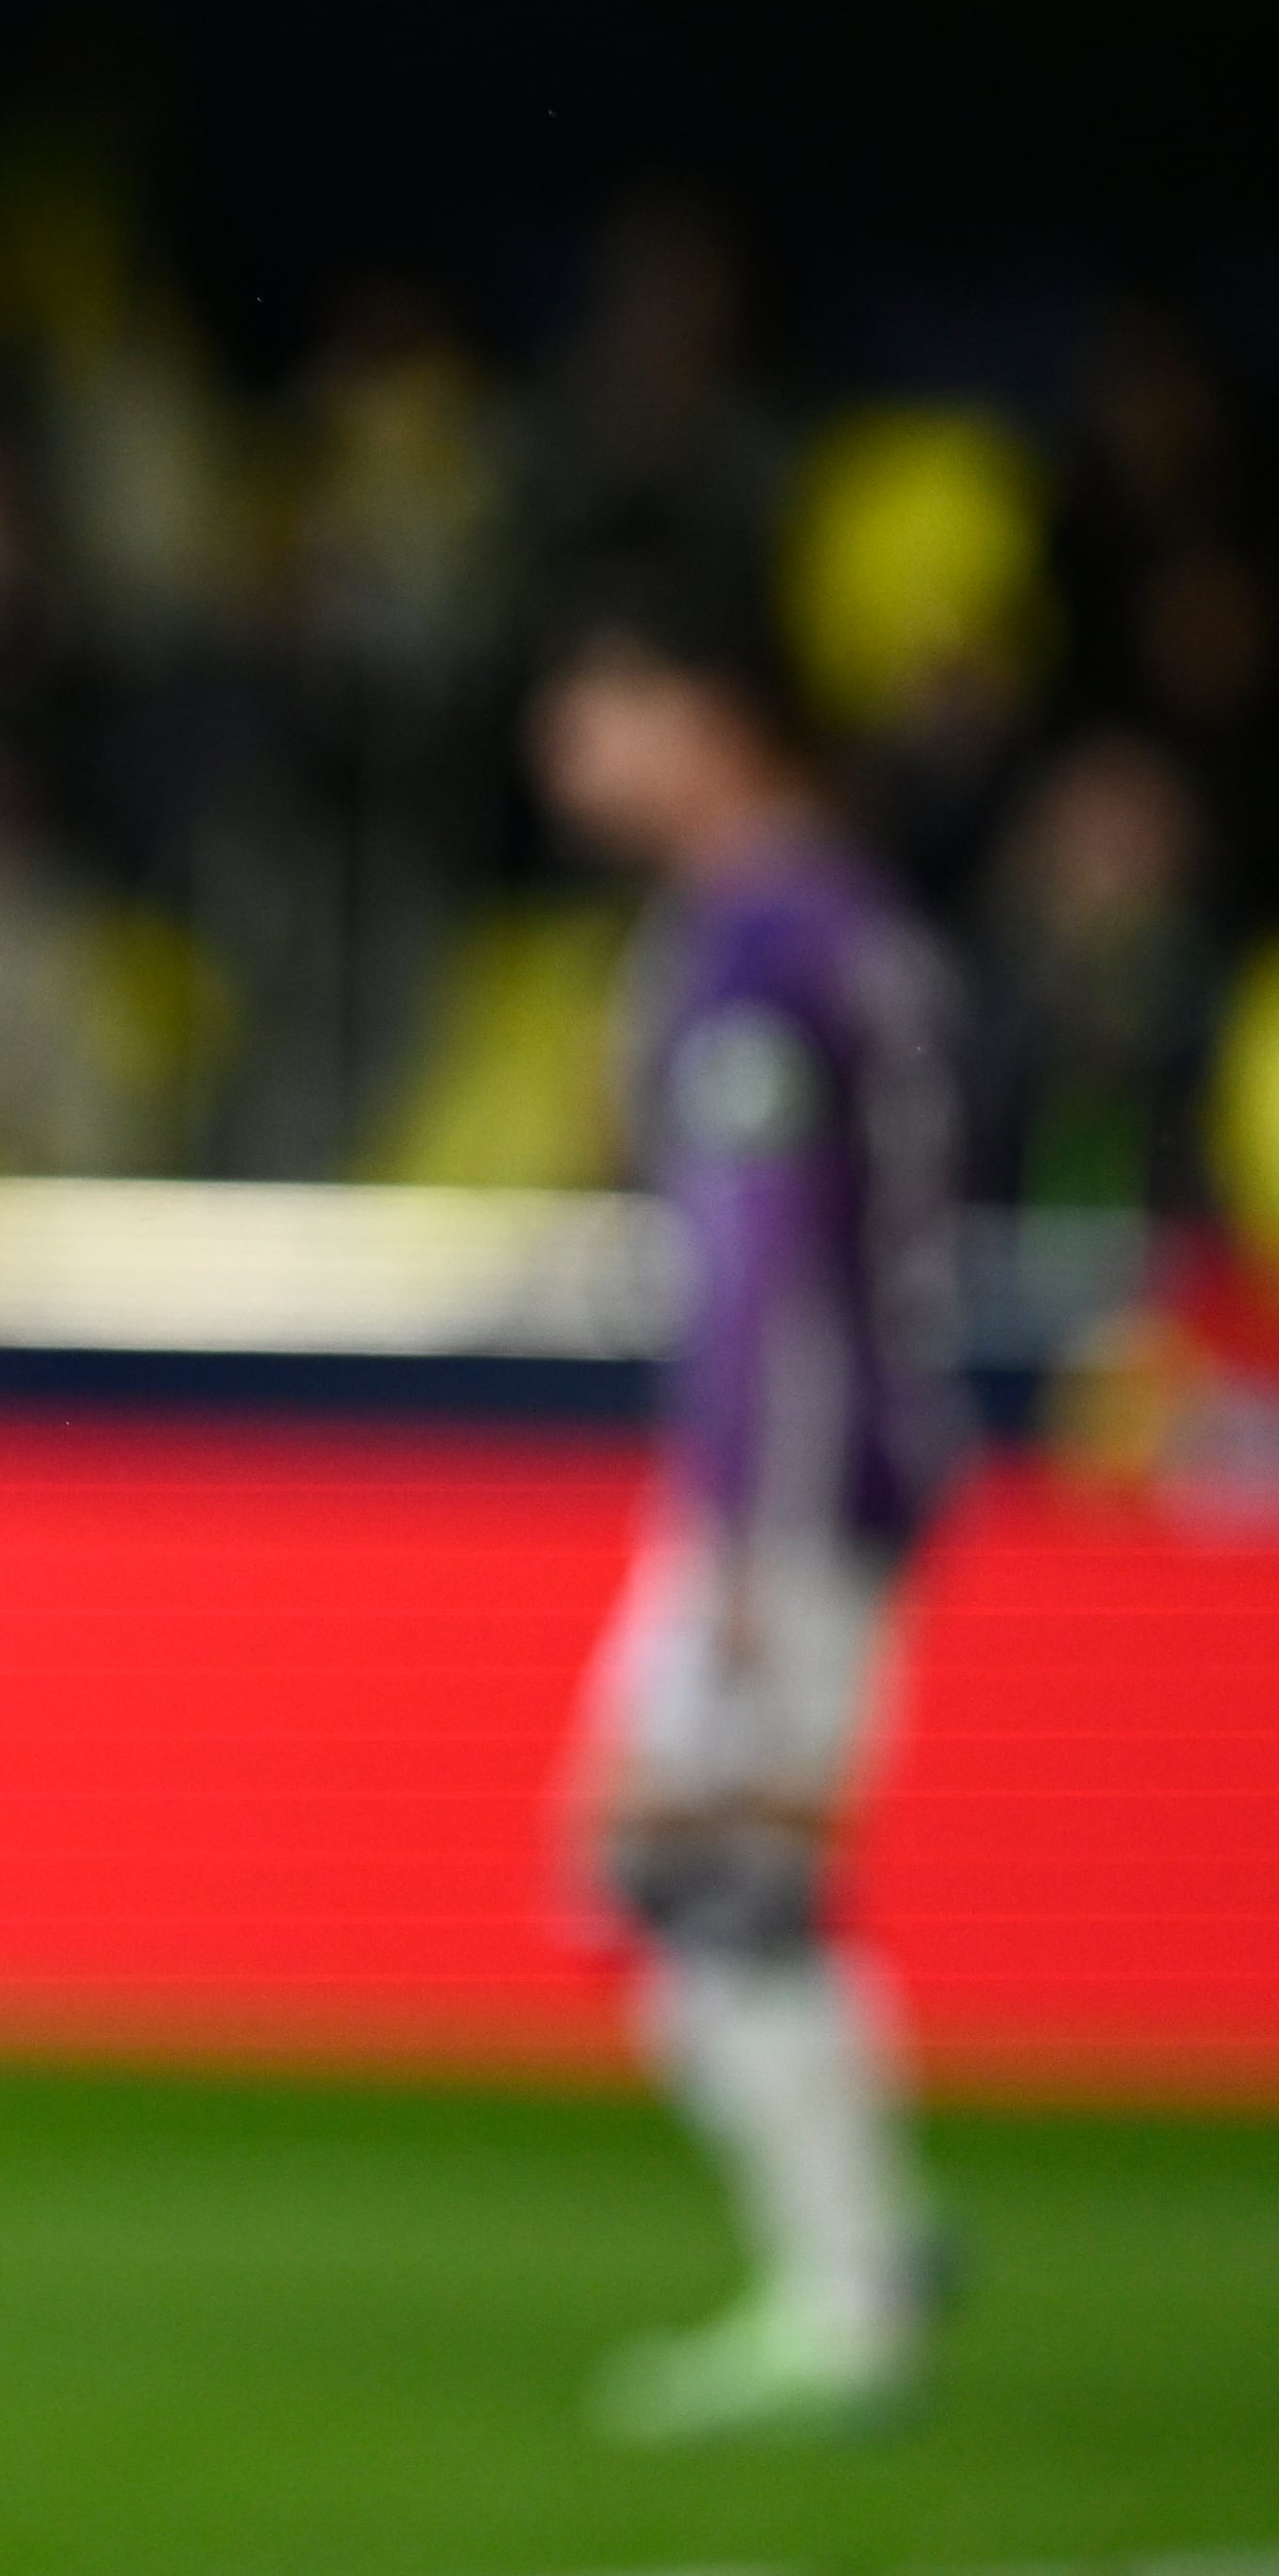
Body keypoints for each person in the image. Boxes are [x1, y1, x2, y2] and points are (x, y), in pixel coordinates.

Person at [531, 583, 965, 2441]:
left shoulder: (764, 944)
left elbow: (774, 1273)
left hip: (784, 1496)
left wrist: (741, 1537)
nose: (568, 742)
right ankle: (865, 2225)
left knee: (706, 1880)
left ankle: (844, 2288)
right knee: (678, 1872)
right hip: (811, 1478)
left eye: (599, 695)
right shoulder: (819, 923)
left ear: (704, 714)